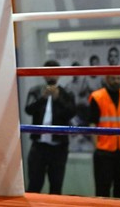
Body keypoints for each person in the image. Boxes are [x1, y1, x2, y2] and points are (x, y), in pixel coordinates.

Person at [23, 59, 76, 194]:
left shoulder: (66, 93)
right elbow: (28, 110)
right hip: (38, 147)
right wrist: (42, 98)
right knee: (34, 185)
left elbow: (71, 112)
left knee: (56, 187)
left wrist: (58, 98)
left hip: (59, 147)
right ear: (43, 74)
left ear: (59, 74)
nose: (51, 75)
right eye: (48, 71)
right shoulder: (35, 91)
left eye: (55, 72)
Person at [88, 75, 120, 198]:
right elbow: (92, 123)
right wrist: (96, 147)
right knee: (102, 191)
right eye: (113, 78)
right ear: (106, 79)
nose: (116, 81)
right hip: (104, 151)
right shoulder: (97, 97)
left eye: (119, 78)